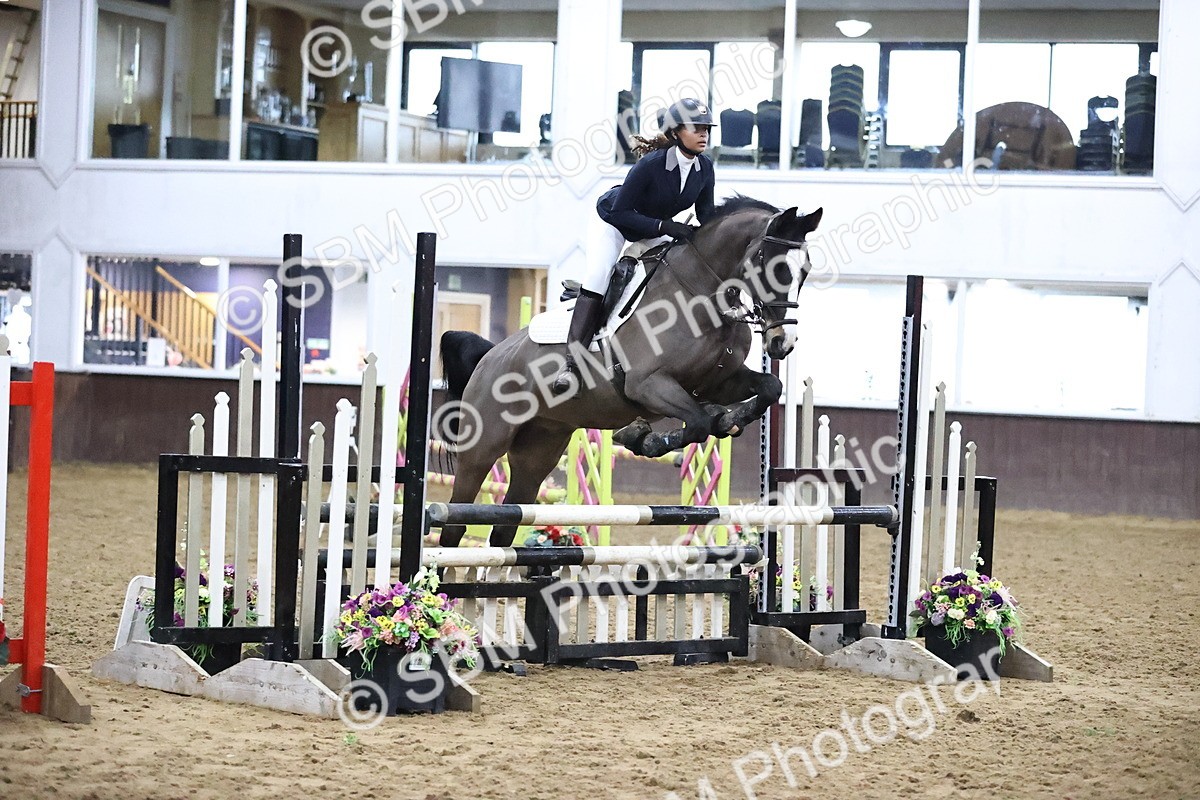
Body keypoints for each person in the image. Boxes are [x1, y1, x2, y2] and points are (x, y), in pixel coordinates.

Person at [551, 97, 718, 394]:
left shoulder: (704, 167)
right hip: (614, 222)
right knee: (598, 275)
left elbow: (706, 215)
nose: (704, 133)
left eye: (707, 128)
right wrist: (666, 227)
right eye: (697, 128)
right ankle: (571, 364)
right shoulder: (651, 165)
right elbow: (621, 212)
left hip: (652, 226)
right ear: (677, 132)